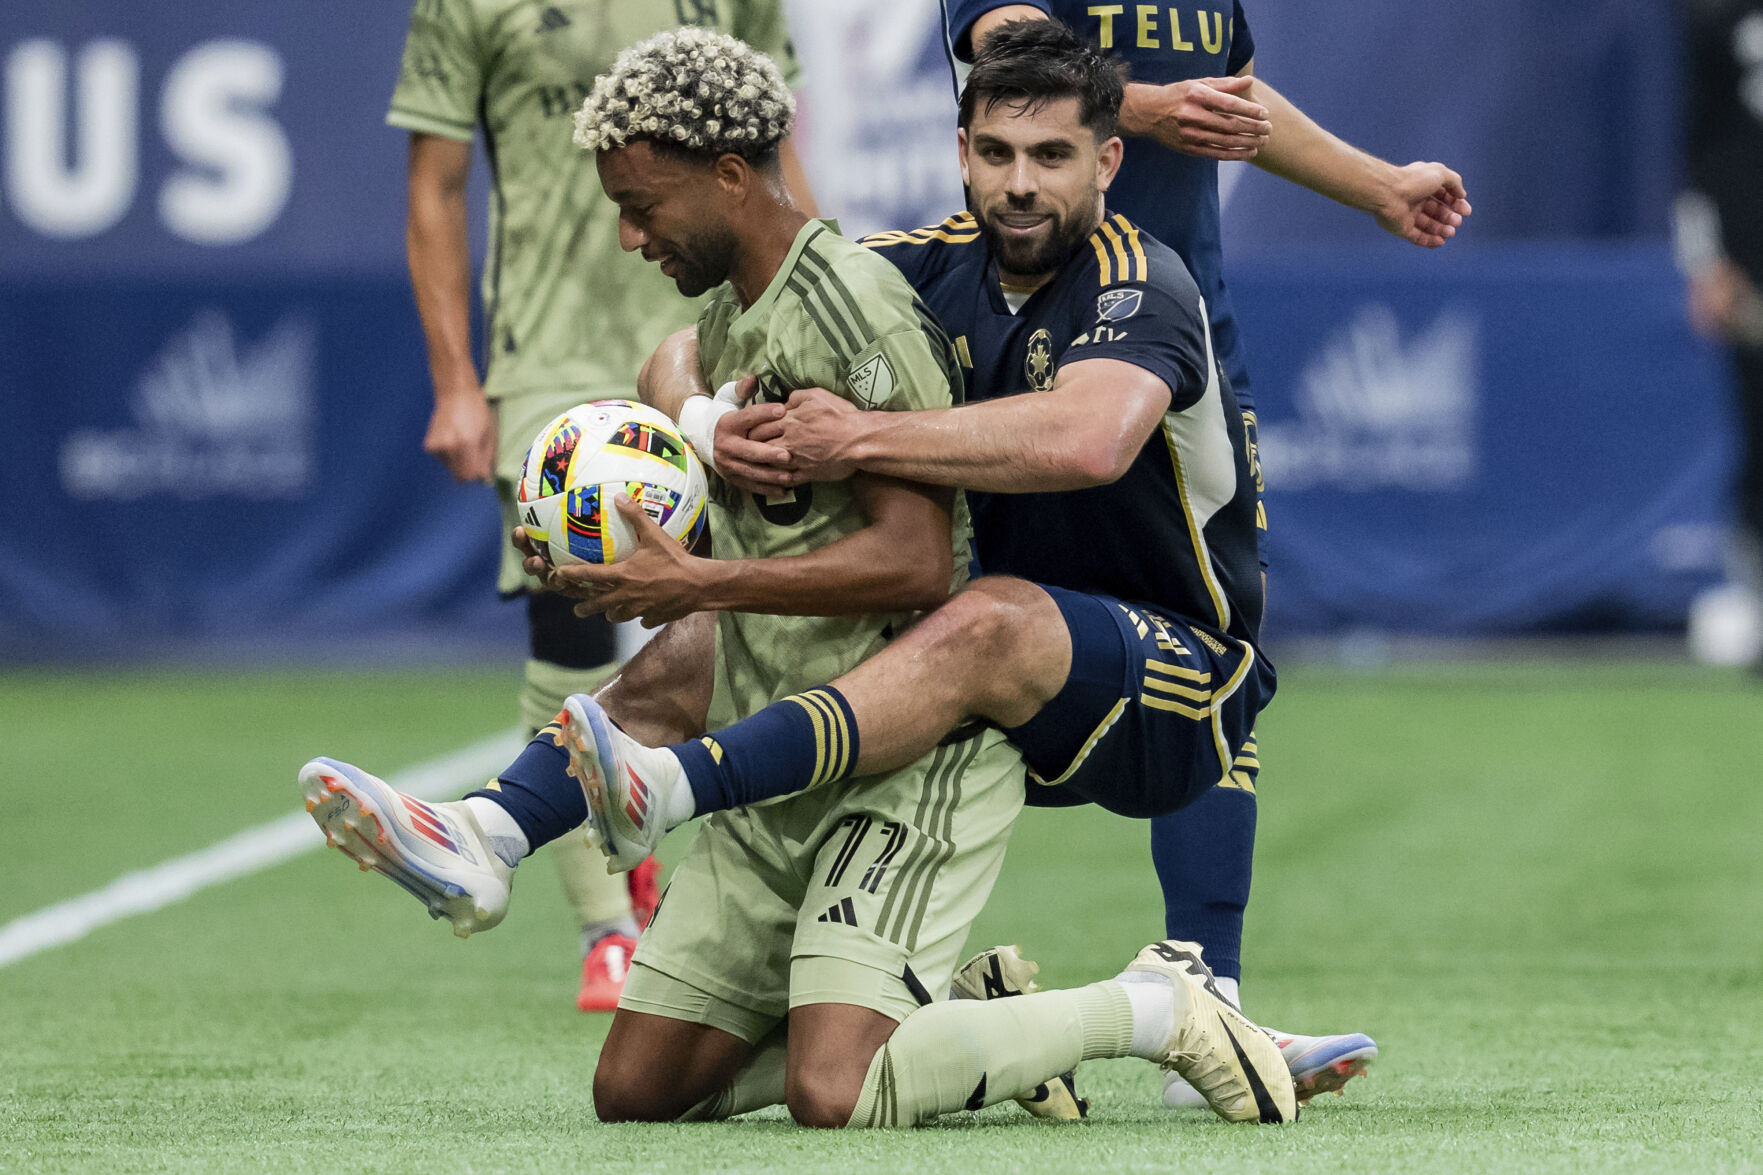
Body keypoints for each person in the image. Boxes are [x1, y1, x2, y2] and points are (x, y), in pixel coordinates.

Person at [302, 27, 1295, 1130]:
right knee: (642, 1073)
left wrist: (856, 439)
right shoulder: (921, 261)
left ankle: (1149, 997)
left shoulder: (1137, 280)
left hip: (1170, 675)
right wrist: (708, 425)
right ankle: (492, 829)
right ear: (960, 152)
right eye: (997, 153)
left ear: (1105, 165)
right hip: (981, 666)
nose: (1020, 183)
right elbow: (710, 338)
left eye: (1052, 156)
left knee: (976, 615)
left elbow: (1088, 439)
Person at [906, 2, 1474, 1106]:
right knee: (940, 645)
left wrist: (1379, 185)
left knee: (1213, 652)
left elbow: (1235, 105)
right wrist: (1144, 107)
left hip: (1184, 352)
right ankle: (917, 977)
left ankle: (1207, 997)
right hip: (1016, 339)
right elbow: (1003, 66)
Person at [386, 0, 812, 1009]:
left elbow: (776, 157)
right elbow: (435, 190)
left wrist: (807, 286)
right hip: (553, 359)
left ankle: (741, 902)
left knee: (751, 608)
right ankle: (607, 925)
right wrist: (455, 380)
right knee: (572, 612)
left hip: (712, 327)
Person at [1679, 0, 1763, 668]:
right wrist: (1705, 262)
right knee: (1757, 440)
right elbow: (1697, 148)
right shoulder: (1716, 23)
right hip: (1750, 276)